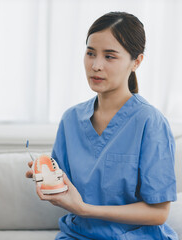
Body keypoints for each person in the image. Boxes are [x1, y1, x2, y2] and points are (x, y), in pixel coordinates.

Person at [26, 12, 178, 239]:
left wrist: (84, 209)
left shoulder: (150, 123)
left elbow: (158, 213)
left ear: (136, 61)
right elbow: (68, 191)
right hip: (77, 235)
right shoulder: (71, 120)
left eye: (109, 56)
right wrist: (48, 180)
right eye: (90, 53)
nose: (96, 65)